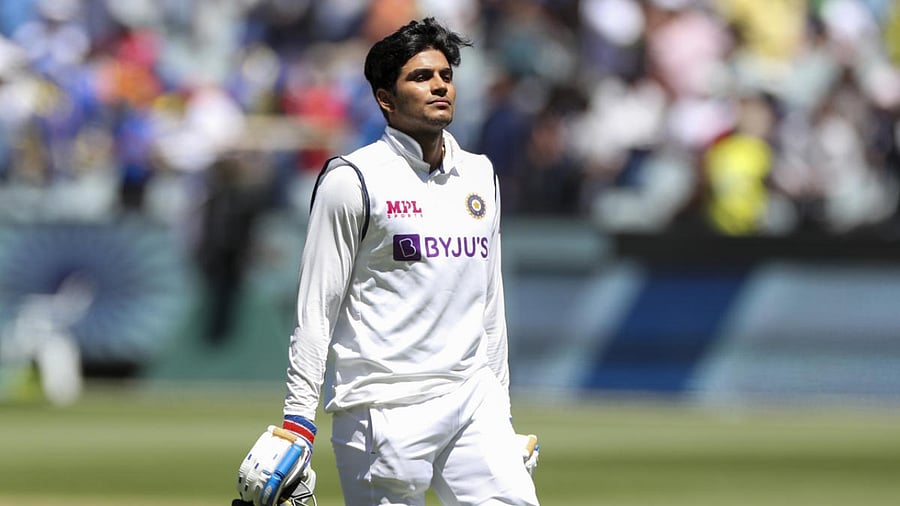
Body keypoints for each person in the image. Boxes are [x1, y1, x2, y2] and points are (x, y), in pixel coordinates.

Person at [234, 18, 540, 506]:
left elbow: (490, 306)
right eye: (420, 77)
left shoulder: (481, 175)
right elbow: (316, 309)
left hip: (470, 400)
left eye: (445, 75)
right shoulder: (352, 179)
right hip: (382, 411)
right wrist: (297, 422)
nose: (439, 85)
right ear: (385, 99)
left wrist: (501, 413)